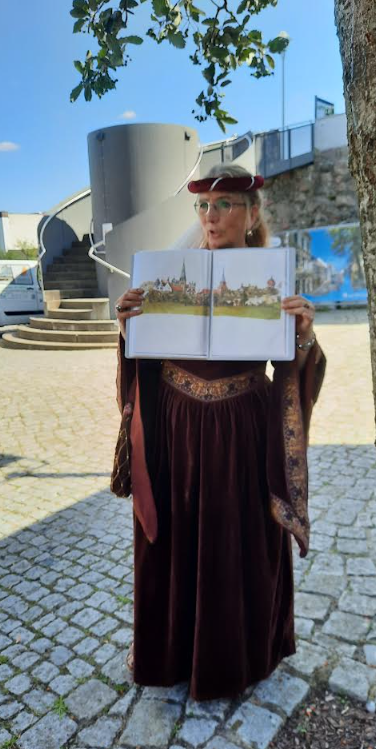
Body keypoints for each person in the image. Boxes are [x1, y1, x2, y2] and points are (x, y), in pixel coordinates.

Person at [112, 163, 326, 701]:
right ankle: (174, 653)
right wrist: (128, 328)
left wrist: (301, 337)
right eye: (204, 206)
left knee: (239, 541)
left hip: (243, 434)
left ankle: (238, 657)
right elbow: (148, 363)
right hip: (179, 430)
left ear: (252, 215)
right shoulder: (172, 274)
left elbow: (292, 370)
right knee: (179, 536)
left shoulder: (271, 279)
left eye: (224, 204)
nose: (211, 216)